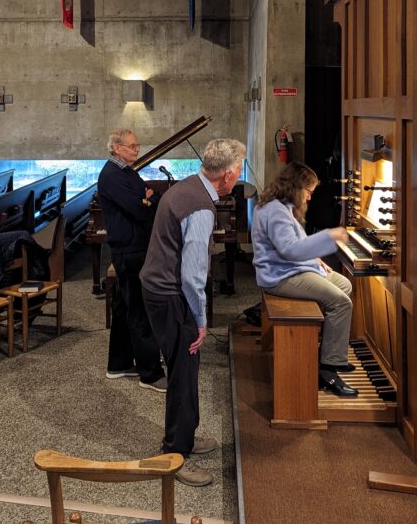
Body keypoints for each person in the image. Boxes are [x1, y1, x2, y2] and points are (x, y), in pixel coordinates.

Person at [140, 137, 246, 487]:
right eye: (239, 170)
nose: (239, 175)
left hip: (158, 289)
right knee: (183, 372)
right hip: (171, 296)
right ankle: (175, 454)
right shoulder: (201, 206)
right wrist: (201, 321)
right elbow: (192, 275)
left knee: (187, 367)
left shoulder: (187, 185)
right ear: (228, 175)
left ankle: (187, 434)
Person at [251, 161, 358, 398]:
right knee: (341, 302)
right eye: (308, 192)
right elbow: (289, 250)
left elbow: (293, 243)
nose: (309, 198)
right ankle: (328, 369)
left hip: (289, 269)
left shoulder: (279, 205)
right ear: (296, 187)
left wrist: (314, 258)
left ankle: (326, 349)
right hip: (279, 277)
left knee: (344, 284)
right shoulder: (276, 212)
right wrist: (329, 235)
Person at [97, 129, 166, 392]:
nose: (137, 150)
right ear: (116, 147)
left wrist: (146, 200)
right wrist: (145, 202)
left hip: (134, 246)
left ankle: (119, 363)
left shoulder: (127, 171)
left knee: (125, 309)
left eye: (137, 146)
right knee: (140, 310)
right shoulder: (113, 176)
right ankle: (150, 374)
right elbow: (139, 209)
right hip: (129, 250)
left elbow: (151, 196)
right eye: (132, 147)